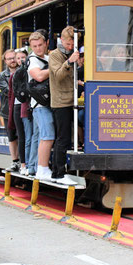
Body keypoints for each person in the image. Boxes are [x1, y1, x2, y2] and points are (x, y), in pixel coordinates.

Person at [49, 26, 80, 184]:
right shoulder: (55, 55)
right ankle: (58, 173)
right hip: (60, 102)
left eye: (73, 44)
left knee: (72, 136)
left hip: (73, 100)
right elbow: (58, 75)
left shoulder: (71, 54)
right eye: (68, 44)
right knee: (63, 138)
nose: (70, 47)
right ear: (62, 40)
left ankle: (66, 170)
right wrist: (69, 62)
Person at [27, 30, 55, 182]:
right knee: (47, 136)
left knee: (45, 136)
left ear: (46, 44)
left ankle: (43, 166)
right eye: (34, 46)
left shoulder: (48, 58)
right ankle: (42, 169)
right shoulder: (32, 60)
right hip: (39, 105)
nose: (38, 48)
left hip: (51, 102)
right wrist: (55, 68)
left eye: (40, 45)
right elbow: (37, 76)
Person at [0, 49, 20, 171]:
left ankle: (23, 161)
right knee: (11, 136)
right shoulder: (2, 75)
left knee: (22, 135)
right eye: (9, 58)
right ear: (5, 61)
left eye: (13, 57)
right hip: (8, 111)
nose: (12, 60)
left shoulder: (23, 71)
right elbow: (7, 91)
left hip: (22, 108)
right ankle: (15, 161)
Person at [16, 48, 37, 177]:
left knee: (35, 137)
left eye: (24, 57)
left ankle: (33, 164)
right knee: (28, 137)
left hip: (35, 106)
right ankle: (27, 164)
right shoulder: (20, 74)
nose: (22, 60)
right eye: (19, 58)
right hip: (26, 108)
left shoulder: (32, 69)